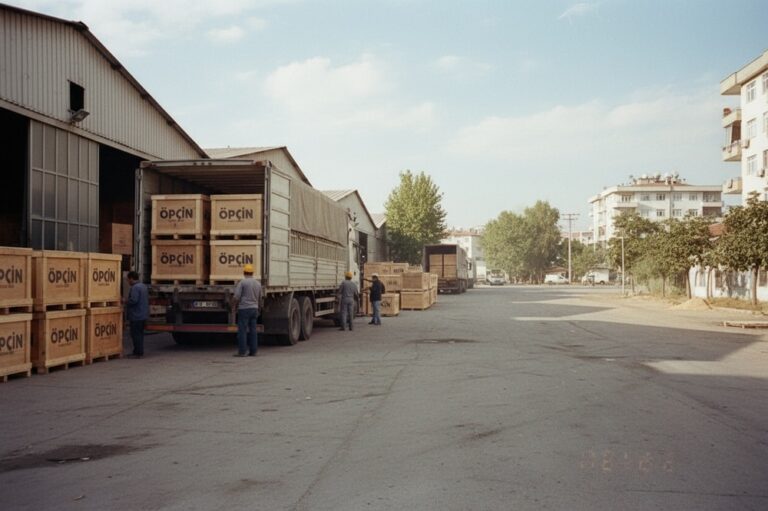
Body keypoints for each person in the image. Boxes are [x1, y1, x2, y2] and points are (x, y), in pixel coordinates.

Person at [231, 263, 262, 357]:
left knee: (242, 331)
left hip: (244, 309)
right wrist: (259, 309)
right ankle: (253, 351)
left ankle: (242, 352)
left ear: (244, 272)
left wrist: (232, 305)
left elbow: (236, 296)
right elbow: (260, 299)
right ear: (252, 273)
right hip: (254, 309)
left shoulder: (242, 283)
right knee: (253, 331)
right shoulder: (258, 284)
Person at [125, 271, 149, 358]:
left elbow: (134, 300)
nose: (128, 282)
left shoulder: (135, 288)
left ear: (131, 278)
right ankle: (139, 351)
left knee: (135, 335)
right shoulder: (143, 286)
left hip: (136, 315)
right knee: (140, 334)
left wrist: (125, 301)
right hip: (143, 314)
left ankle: (137, 353)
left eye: (128, 280)